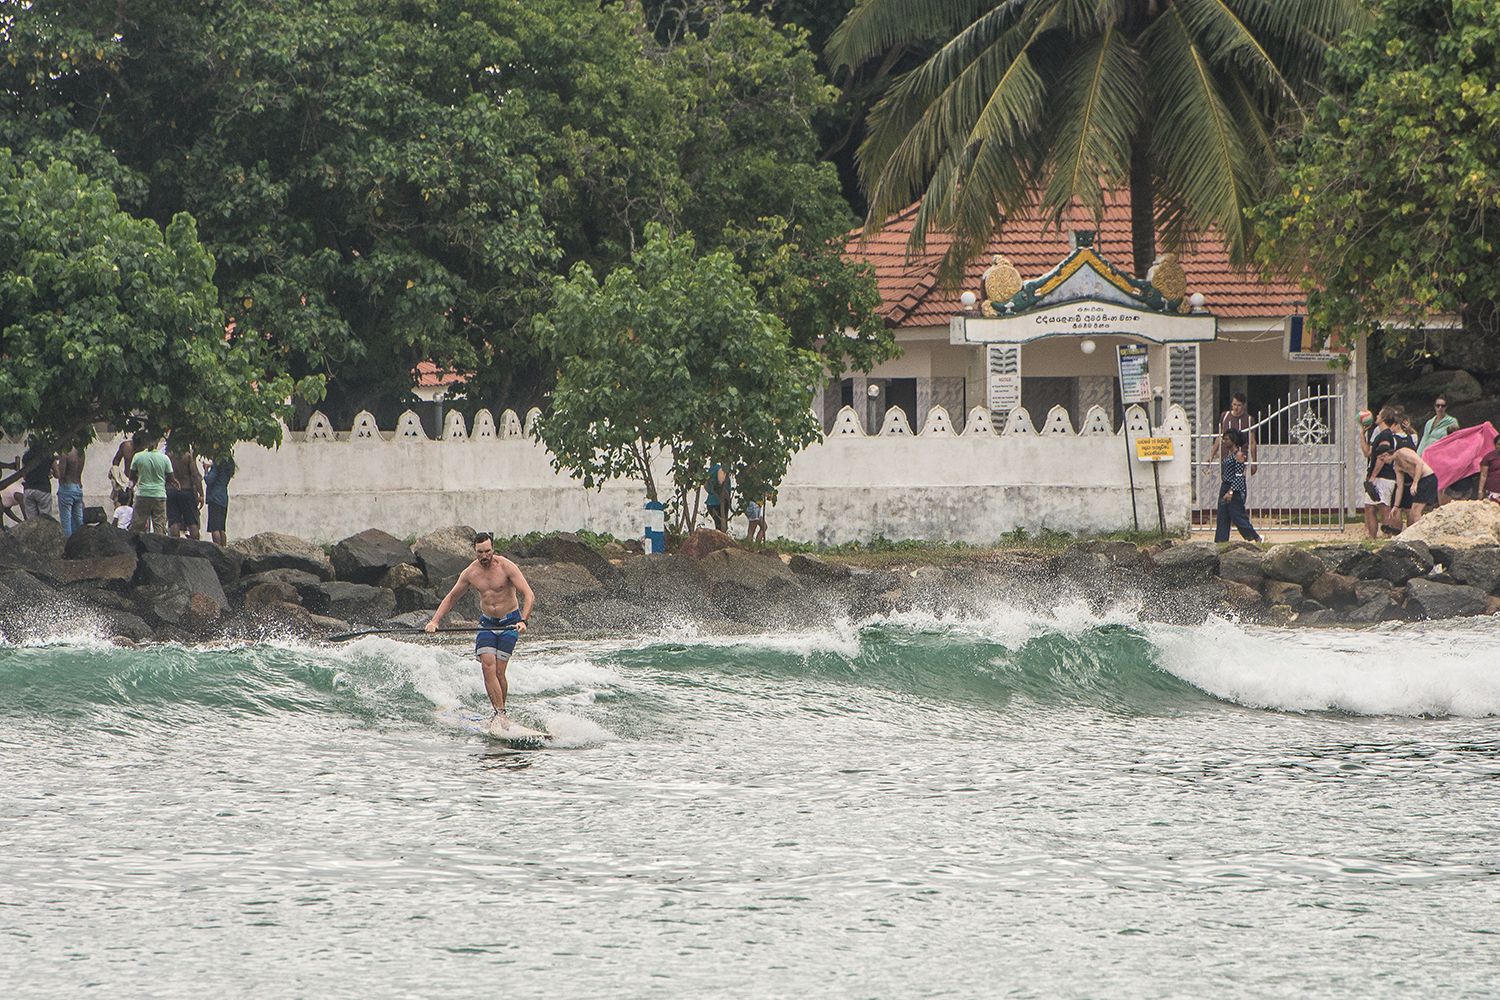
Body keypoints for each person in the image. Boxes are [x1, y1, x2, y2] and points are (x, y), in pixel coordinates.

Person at [426, 532, 535, 731]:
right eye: (479, 552)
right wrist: (435, 621)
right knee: (487, 666)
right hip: (487, 624)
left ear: (493, 549)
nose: (484, 555)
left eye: (487, 551)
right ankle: (500, 714)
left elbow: (528, 594)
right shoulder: (470, 572)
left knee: (500, 671)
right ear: (474, 551)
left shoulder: (507, 567)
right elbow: (451, 598)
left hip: (510, 622)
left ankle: (502, 712)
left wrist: (523, 621)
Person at [1372, 442, 1440, 525]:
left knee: (1415, 511)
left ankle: (1420, 532)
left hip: (1427, 478)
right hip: (1421, 481)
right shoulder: (1397, 466)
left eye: (1382, 459)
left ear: (1386, 455)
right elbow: (1400, 486)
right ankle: (1420, 530)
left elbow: (1419, 464)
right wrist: (1396, 506)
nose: (1384, 462)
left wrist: (1415, 483)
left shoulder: (1403, 452)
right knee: (1413, 511)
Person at [1215, 428, 1262, 542]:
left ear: (1233, 441)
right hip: (1225, 485)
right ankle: (1220, 541)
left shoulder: (1238, 455)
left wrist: (1231, 491)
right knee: (1222, 516)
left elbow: (1239, 475)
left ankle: (1254, 537)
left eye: (1226, 439)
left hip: (1234, 488)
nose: (1224, 441)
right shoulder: (1228, 455)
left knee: (1237, 516)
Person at [128, 431, 171, 534]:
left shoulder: (138, 457)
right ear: (157, 442)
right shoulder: (164, 458)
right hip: (159, 495)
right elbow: (171, 477)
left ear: (146, 442)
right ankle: (159, 548)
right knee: (159, 525)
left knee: (137, 524)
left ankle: (133, 546)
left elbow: (131, 476)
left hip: (143, 494)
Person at [1209, 392, 1257, 474]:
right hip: (1226, 453)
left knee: (1238, 479)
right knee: (1226, 480)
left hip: (1241, 454)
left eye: (1239, 405)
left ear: (1243, 405)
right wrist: (1212, 455)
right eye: (1234, 404)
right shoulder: (1225, 416)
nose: (1236, 408)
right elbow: (1219, 437)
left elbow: (1252, 441)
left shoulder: (1248, 419)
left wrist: (1254, 461)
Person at [166, 446, 204, 539]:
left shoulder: (168, 455)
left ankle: (174, 550)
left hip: (171, 490)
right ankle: (196, 549)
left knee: (174, 523)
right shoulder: (188, 455)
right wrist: (201, 493)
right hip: (186, 490)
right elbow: (195, 475)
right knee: (192, 523)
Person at [202, 453, 236, 546]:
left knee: (215, 527)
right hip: (223, 497)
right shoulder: (227, 468)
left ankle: (217, 548)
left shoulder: (217, 467)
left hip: (214, 497)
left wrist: (206, 471)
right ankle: (224, 548)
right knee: (221, 528)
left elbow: (209, 480)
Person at [54, 446, 86, 538]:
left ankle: (67, 545)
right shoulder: (81, 452)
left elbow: (61, 474)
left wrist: (55, 467)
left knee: (66, 521)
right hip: (78, 486)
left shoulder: (66, 453)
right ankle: (83, 540)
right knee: (79, 520)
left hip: (67, 487)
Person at [109, 434, 139, 509]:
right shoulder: (126, 446)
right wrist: (117, 475)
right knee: (123, 507)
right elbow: (116, 460)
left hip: (140, 482)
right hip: (126, 481)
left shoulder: (145, 450)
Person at [705, 462, 731, 532]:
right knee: (722, 527)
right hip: (718, 503)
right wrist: (728, 498)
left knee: (718, 525)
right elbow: (722, 486)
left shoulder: (710, 471)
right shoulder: (720, 470)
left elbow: (705, 486)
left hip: (710, 502)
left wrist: (712, 493)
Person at [1478, 433, 1500, 502]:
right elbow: (1483, 475)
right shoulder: (1489, 457)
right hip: (1492, 491)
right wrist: (1480, 491)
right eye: (1499, 444)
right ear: (1495, 445)